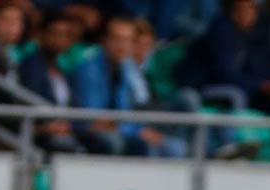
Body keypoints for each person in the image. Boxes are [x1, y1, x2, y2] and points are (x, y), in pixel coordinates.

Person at [73, 15, 189, 155]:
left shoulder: (125, 69)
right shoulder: (89, 70)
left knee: (175, 147)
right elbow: (95, 120)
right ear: (104, 40)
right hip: (91, 133)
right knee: (132, 144)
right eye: (117, 39)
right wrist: (136, 131)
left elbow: (124, 112)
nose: (122, 45)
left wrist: (138, 130)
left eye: (127, 40)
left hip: (121, 128)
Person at [17, 12, 88, 155]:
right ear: (40, 35)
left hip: (64, 130)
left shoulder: (63, 70)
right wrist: (46, 126)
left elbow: (76, 107)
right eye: (54, 33)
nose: (59, 40)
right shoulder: (30, 66)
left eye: (64, 35)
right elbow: (29, 101)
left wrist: (70, 125)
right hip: (42, 132)